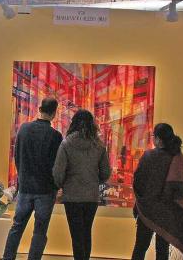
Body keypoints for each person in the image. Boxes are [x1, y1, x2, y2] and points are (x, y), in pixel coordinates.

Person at [1, 97, 63, 260]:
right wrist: (57, 186)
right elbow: (57, 165)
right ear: (54, 113)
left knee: (17, 226)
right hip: (45, 190)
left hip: (25, 187)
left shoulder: (24, 129)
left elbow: (17, 156)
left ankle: (8, 257)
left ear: (39, 109)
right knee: (40, 231)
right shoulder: (55, 136)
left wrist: (22, 178)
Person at [131, 123, 183, 260]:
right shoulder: (181, 158)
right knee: (162, 250)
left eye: (154, 136)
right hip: (168, 212)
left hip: (147, 211)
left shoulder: (148, 156)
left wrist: (142, 201)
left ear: (159, 139)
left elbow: (138, 182)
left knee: (140, 247)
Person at [52, 109, 111, 260]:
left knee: (76, 235)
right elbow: (106, 173)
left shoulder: (66, 144)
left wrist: (61, 185)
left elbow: (58, 172)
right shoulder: (99, 145)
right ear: (92, 124)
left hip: (72, 196)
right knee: (86, 232)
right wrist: (94, 179)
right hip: (91, 196)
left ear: (74, 123)